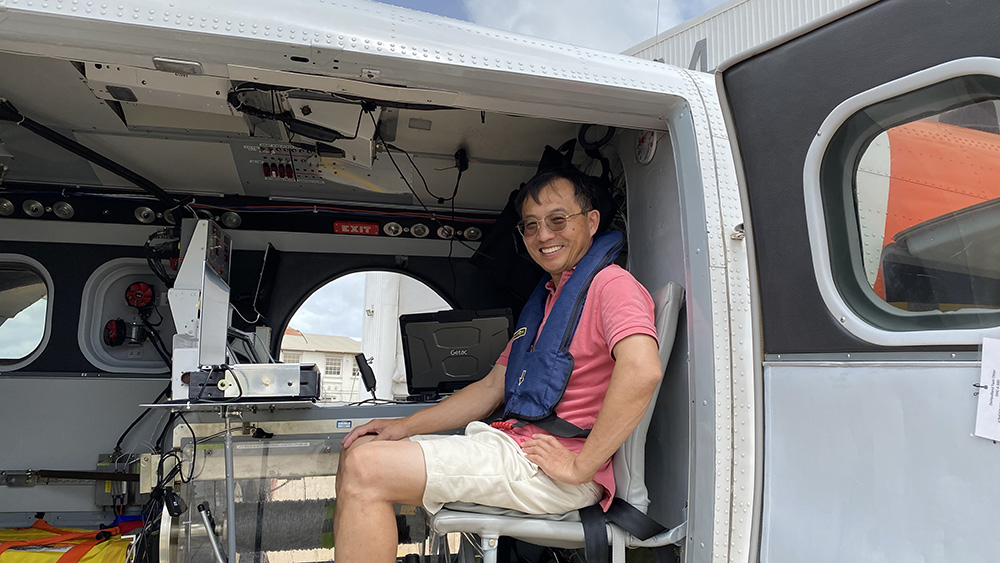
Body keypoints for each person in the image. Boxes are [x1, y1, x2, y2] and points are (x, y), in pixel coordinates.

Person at [333, 169, 663, 562]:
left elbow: (643, 370)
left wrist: (580, 466)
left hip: (554, 470)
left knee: (366, 467)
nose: (543, 235)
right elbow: (492, 387)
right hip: (513, 448)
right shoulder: (548, 301)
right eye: (531, 226)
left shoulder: (612, 285)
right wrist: (402, 426)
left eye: (558, 220)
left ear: (591, 222)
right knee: (359, 450)